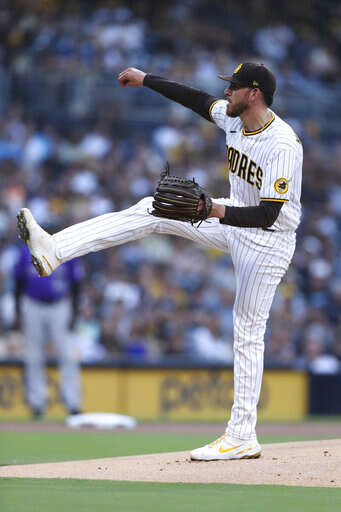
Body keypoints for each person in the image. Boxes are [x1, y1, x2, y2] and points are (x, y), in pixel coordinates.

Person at [16, 62, 302, 458]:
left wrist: (213, 209)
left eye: (234, 87)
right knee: (153, 209)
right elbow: (196, 99)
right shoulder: (233, 118)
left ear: (254, 94)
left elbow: (269, 213)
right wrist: (146, 80)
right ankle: (55, 249)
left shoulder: (283, 144)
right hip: (233, 218)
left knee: (247, 331)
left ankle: (242, 435)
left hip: (269, 241)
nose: (226, 93)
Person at [13, 242, 84, 418]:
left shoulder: (65, 249)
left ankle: (73, 403)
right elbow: (18, 281)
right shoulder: (26, 252)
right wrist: (17, 311)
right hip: (33, 304)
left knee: (67, 355)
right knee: (33, 356)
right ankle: (37, 403)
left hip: (59, 304)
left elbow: (76, 284)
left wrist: (74, 312)